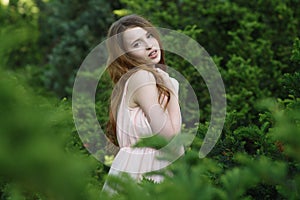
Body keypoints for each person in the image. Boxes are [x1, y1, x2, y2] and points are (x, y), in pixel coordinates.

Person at [102, 14, 184, 192]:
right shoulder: (142, 77)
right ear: (125, 56)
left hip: (148, 166)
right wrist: (172, 92)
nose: (148, 45)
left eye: (148, 35)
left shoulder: (154, 79)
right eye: (136, 44)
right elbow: (169, 137)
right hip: (144, 171)